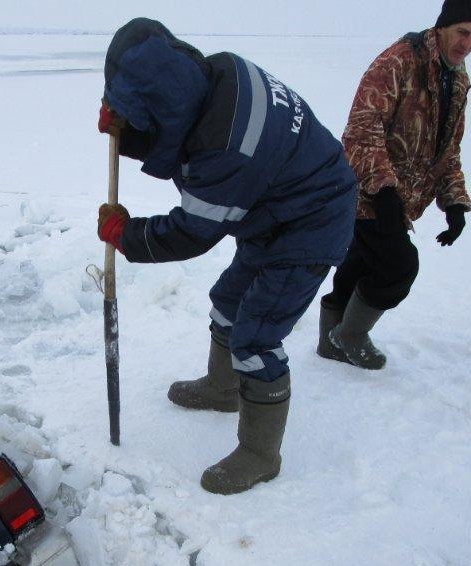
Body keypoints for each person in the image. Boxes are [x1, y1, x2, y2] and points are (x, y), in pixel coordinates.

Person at [96, 18, 356, 495]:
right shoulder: (216, 74)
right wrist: (130, 132)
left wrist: (126, 235)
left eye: (137, 110)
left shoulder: (228, 146)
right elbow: (182, 138)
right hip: (276, 205)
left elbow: (193, 231)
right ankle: (223, 390)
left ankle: (261, 453)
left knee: (257, 334)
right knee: (228, 301)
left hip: (310, 223)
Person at [317, 0, 471, 369]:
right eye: (462, 32)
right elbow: (361, 131)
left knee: (363, 262)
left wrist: (455, 201)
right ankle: (349, 336)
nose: (468, 43)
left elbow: (448, 148)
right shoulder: (398, 62)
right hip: (364, 191)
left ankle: (330, 342)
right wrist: (382, 190)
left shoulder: (456, 76)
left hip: (397, 198)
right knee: (398, 266)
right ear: (443, 26)